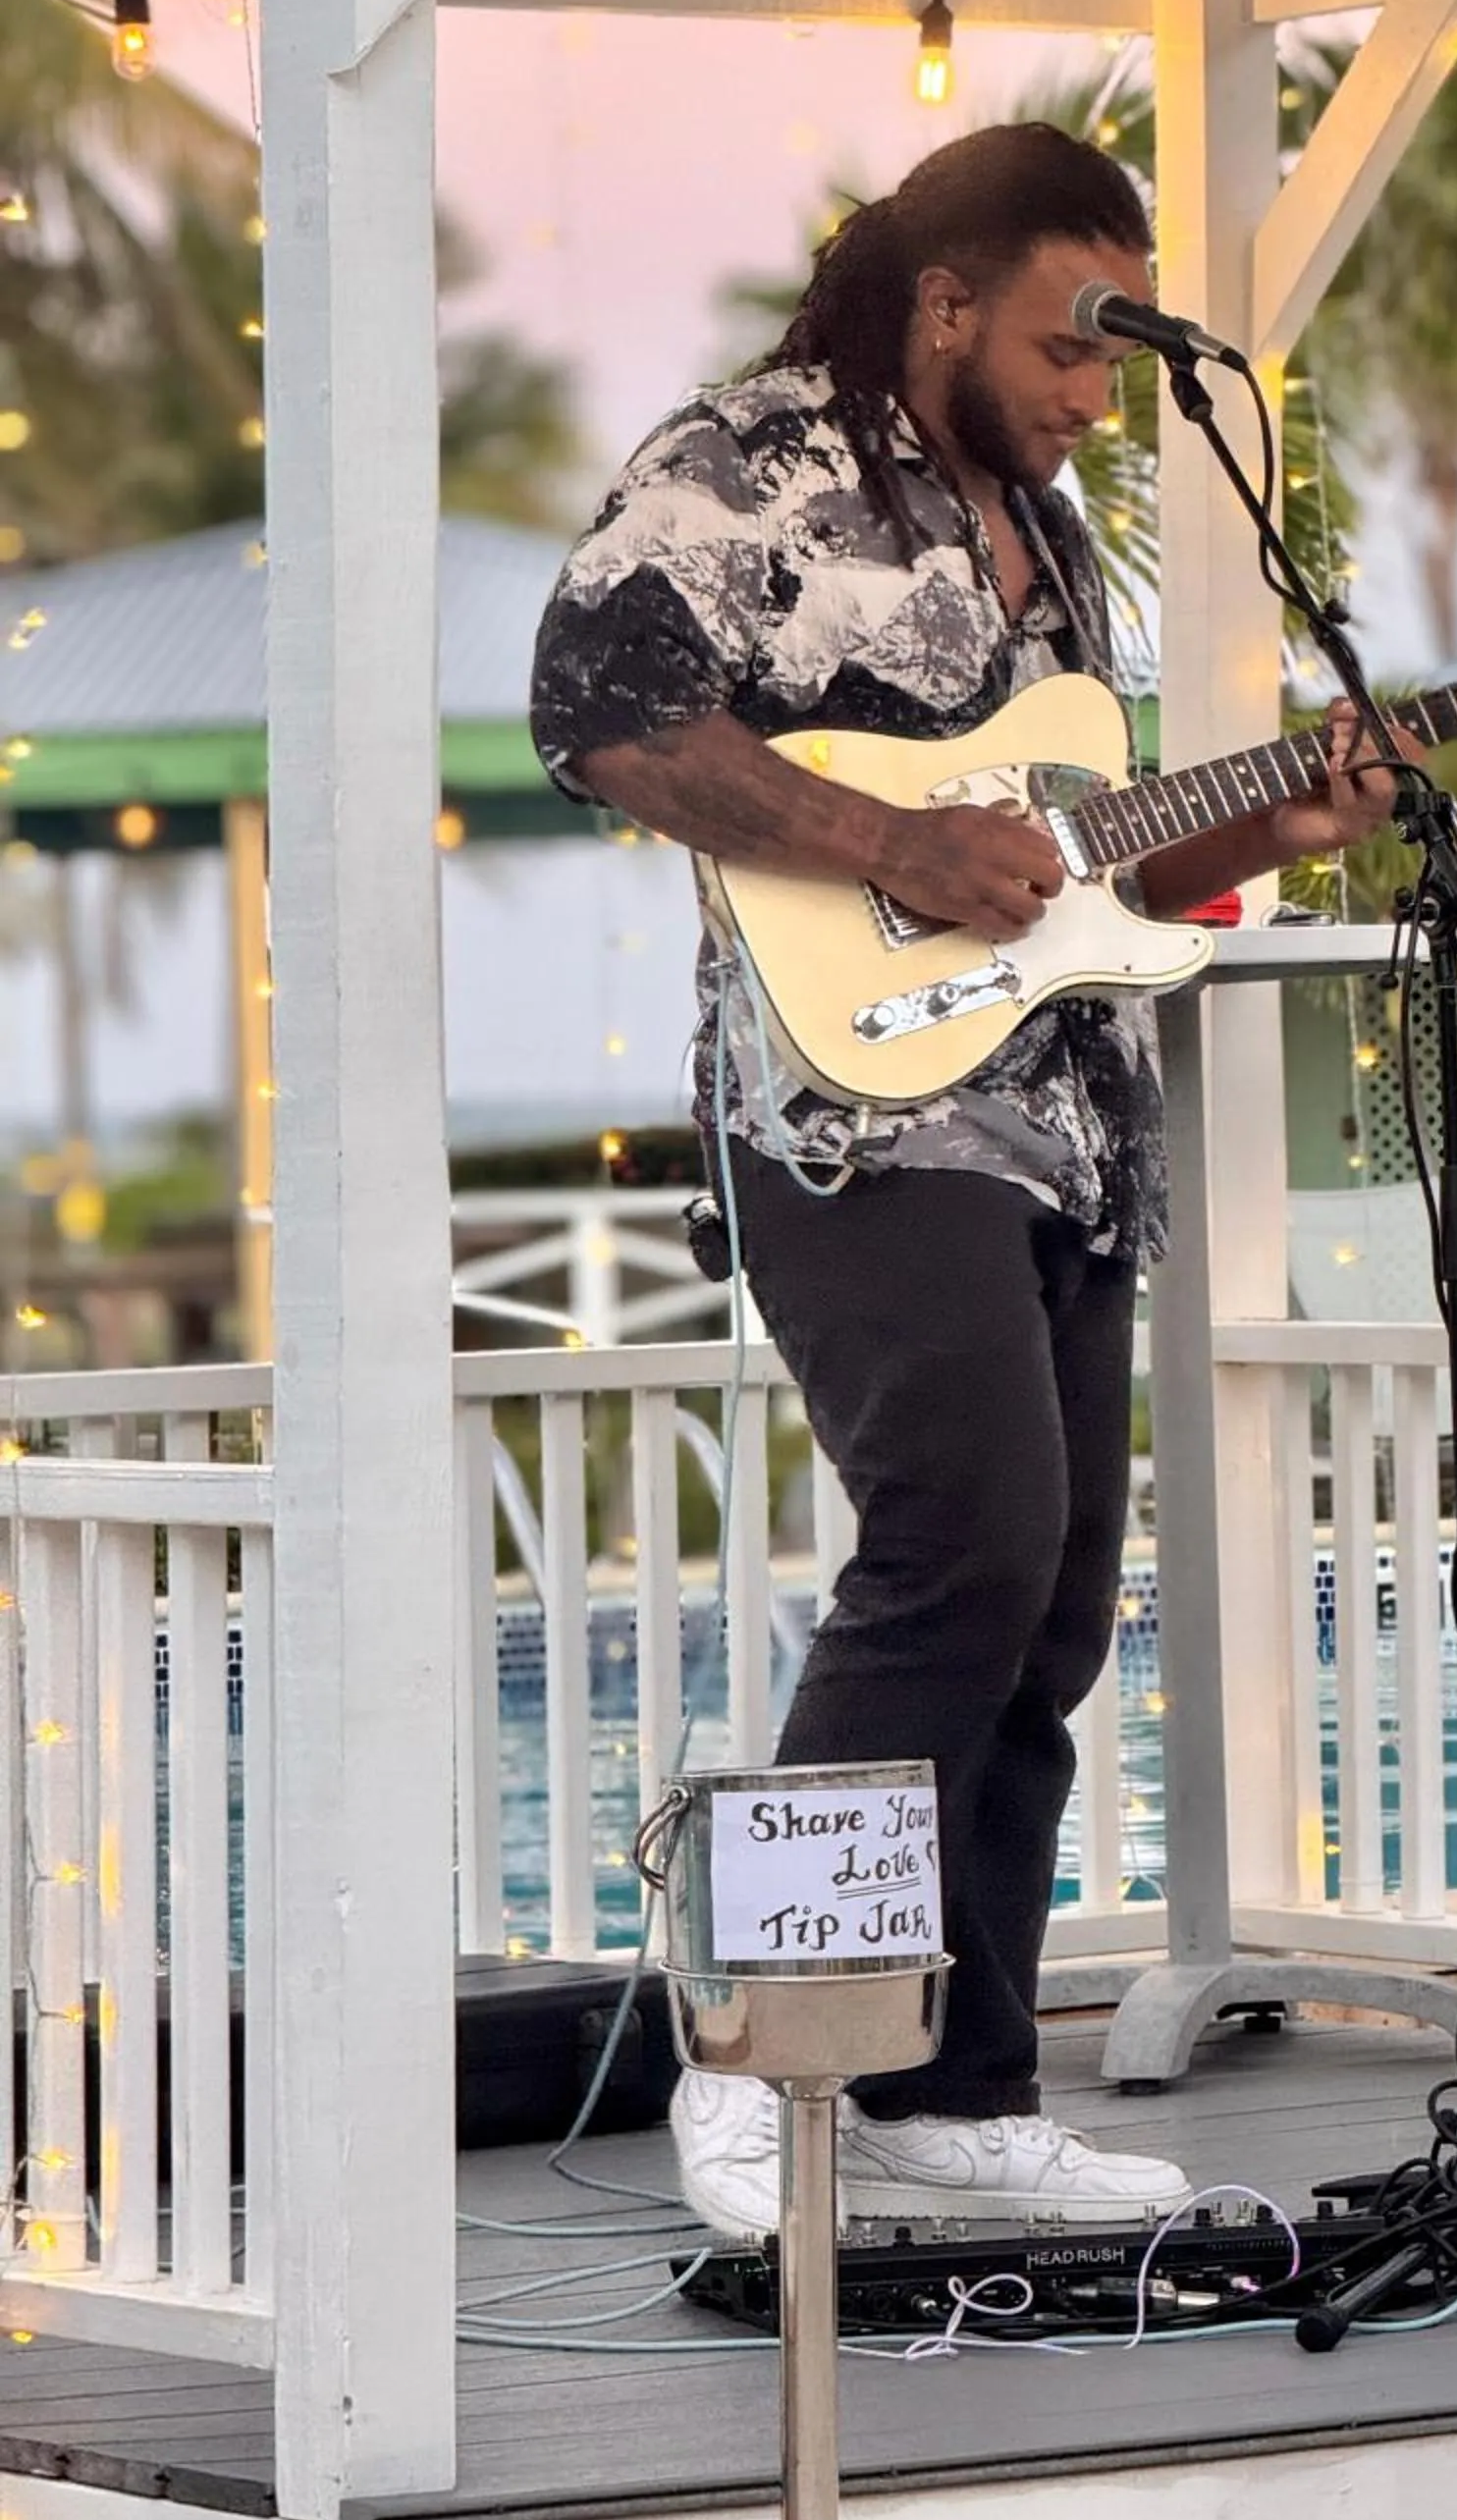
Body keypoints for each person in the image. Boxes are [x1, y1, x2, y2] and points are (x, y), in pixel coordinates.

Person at [529, 123, 1405, 2236]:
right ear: (942, 303)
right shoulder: (749, 464)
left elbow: (1078, 867)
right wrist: (889, 844)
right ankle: (758, 2069)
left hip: (1072, 1122)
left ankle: (950, 2091)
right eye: (1064, 341)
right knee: (956, 1549)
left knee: (1051, 1601)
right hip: (853, 1112)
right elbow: (598, 707)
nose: (1097, 389)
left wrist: (1278, 828)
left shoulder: (1048, 514)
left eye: (1115, 357)